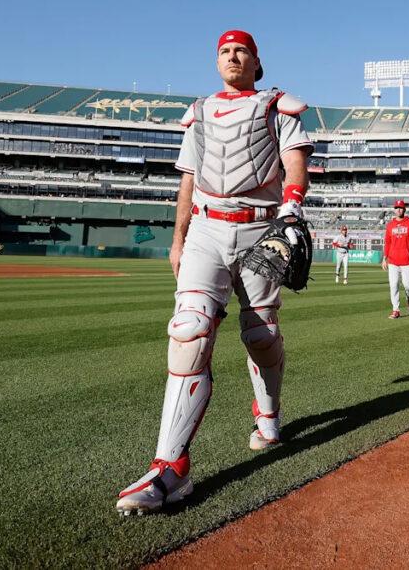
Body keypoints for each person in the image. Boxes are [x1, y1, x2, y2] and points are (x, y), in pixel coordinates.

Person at [117, 29, 312, 515]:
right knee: (188, 331)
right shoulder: (199, 113)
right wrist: (178, 238)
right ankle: (170, 467)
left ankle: (268, 414)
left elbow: (295, 164)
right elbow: (187, 181)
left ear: (256, 61)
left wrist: (291, 208)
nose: (232, 56)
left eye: (241, 50)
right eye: (224, 51)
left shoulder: (278, 107)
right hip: (206, 229)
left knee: (261, 334)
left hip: (261, 228)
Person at [382, 200, 409, 318]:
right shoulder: (390, 225)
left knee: (408, 286)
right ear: (394, 210)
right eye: (397, 208)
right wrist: (384, 258)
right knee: (393, 285)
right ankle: (396, 309)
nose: (399, 210)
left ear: (404, 209)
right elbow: (387, 242)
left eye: (401, 208)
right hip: (393, 261)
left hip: (407, 261)